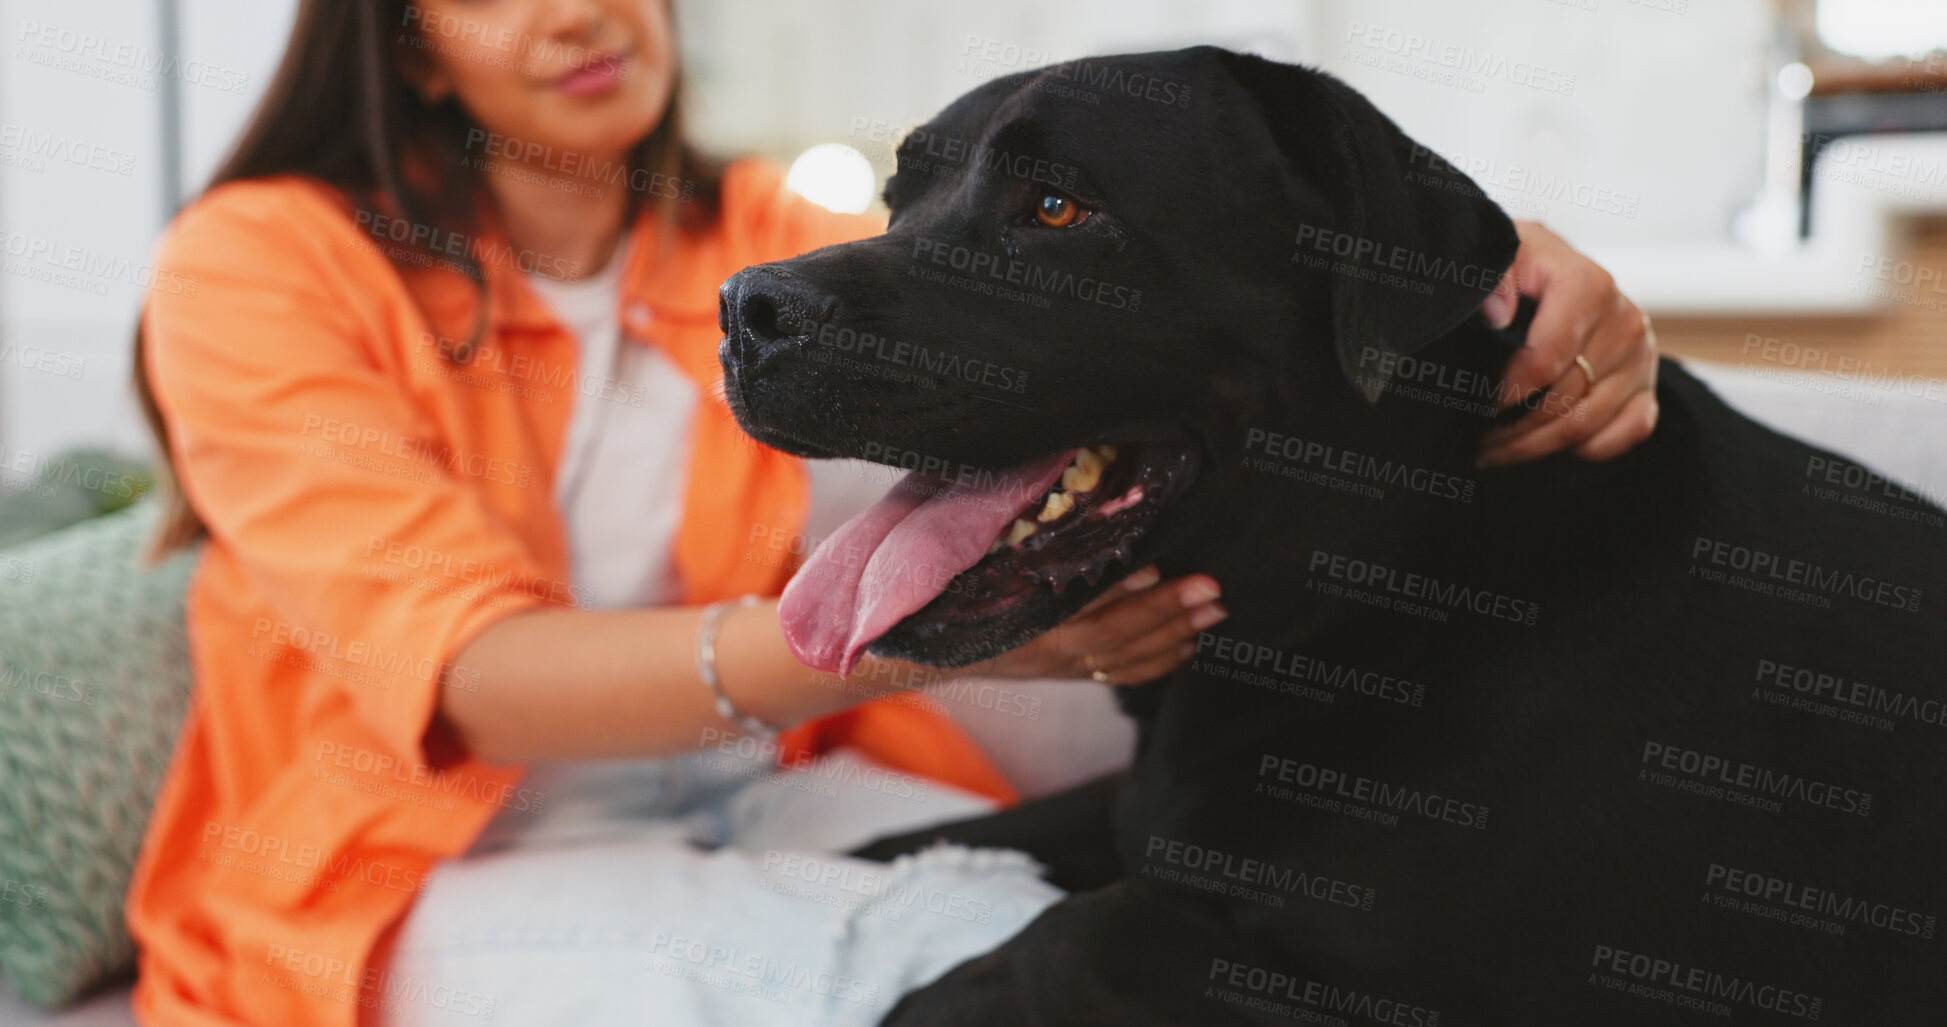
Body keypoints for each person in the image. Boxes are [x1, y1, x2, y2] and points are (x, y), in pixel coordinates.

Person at [123, 1, 1661, 1024]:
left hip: (758, 790)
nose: (584, 11)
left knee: (1136, 931)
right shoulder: (263, 263)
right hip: (405, 880)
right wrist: (925, 647)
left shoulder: (744, 238)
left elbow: (1166, 239)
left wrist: (1504, 261)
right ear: (404, 48)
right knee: (1004, 981)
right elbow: (468, 672)